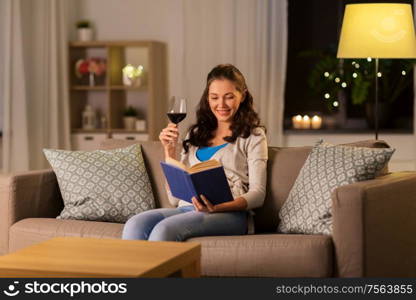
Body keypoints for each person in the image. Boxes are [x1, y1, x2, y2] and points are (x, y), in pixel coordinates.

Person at [122, 64, 268, 241]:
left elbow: (258, 195)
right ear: (207, 98)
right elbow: (174, 200)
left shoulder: (253, 135)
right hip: (186, 208)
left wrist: (217, 207)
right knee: (135, 223)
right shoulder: (196, 134)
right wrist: (169, 152)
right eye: (214, 97)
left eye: (229, 97)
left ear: (242, 96)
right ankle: (136, 270)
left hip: (231, 214)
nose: (221, 104)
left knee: (164, 230)